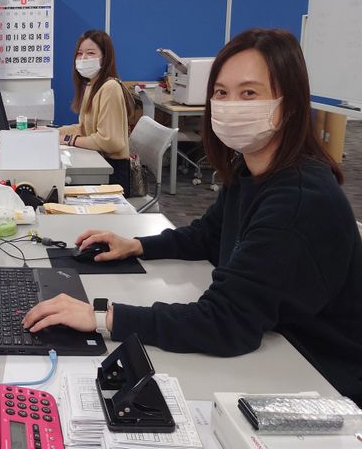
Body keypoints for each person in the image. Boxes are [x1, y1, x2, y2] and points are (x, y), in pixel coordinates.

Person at [24, 28, 362, 405]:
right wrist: (135, 245)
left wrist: (102, 317)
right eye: (221, 92)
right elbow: (206, 236)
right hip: (276, 350)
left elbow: (224, 322)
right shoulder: (251, 170)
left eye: (249, 93)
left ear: (291, 105)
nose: (231, 105)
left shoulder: (299, 200)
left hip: (319, 382)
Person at [57, 30, 134, 191]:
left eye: (90, 53)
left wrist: (68, 139)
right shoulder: (92, 85)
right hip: (101, 163)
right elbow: (85, 129)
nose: (83, 58)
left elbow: (110, 142)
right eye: (79, 53)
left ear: (105, 58)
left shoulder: (110, 88)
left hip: (113, 173)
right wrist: (54, 132)